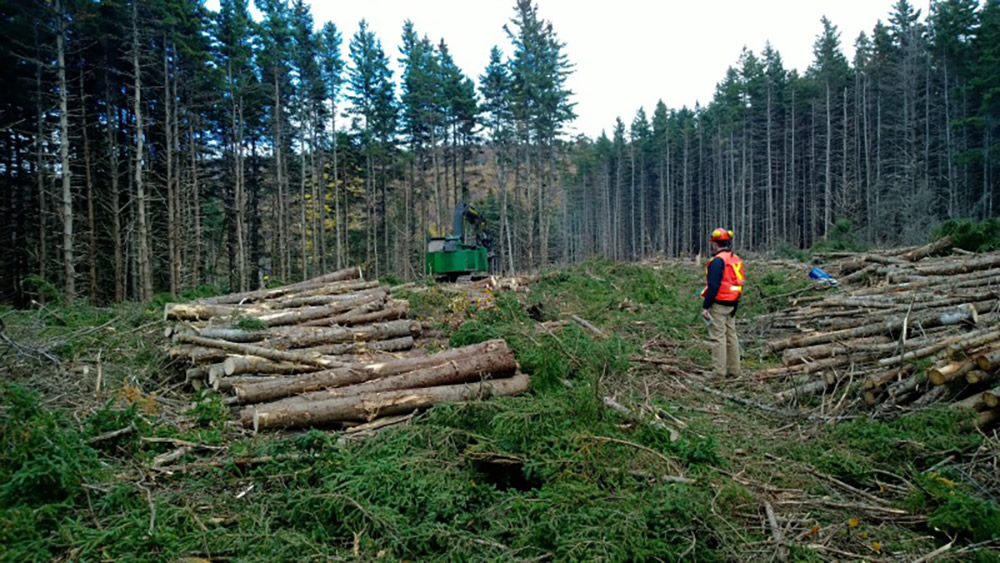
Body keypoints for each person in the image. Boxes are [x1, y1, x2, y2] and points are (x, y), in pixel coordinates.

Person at [700, 228, 745, 378]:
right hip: (732, 301)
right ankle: (734, 370)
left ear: (715, 244)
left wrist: (706, 306)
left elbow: (713, 286)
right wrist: (736, 302)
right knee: (731, 336)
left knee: (718, 337)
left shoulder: (718, 261)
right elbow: (737, 283)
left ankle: (718, 372)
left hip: (719, 303)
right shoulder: (735, 259)